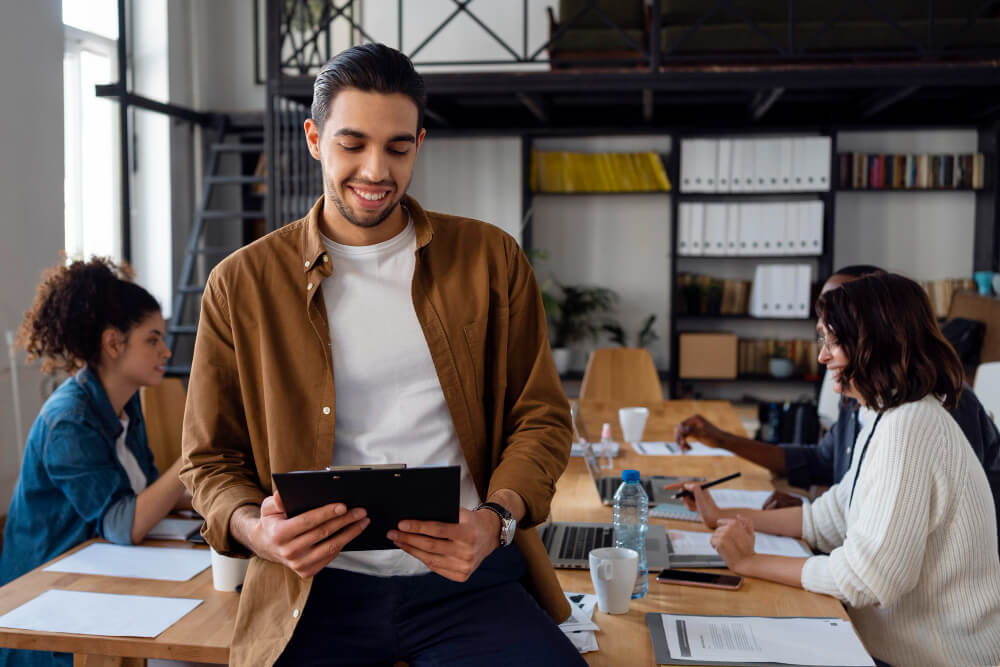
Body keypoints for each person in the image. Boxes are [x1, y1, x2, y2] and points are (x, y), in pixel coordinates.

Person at [179, 44, 582, 667]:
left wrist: (497, 519)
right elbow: (207, 460)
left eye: (397, 147)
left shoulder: (491, 260)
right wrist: (254, 530)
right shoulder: (241, 284)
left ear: (418, 144)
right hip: (310, 593)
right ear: (315, 139)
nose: (375, 170)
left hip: (467, 583)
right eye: (352, 144)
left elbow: (543, 418)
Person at [675, 272, 1000, 667]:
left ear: (872, 344)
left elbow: (867, 579)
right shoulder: (883, 416)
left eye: (832, 341)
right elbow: (829, 517)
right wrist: (720, 516)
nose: (822, 356)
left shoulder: (911, 426)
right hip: (881, 646)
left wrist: (749, 562)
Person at [674, 264, 1000, 528]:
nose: (824, 340)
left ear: (877, 322)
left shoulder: (935, 412)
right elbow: (824, 465)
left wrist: (805, 513)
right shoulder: (868, 399)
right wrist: (723, 440)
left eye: (837, 323)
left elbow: (907, 529)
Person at [0, 258, 190, 667]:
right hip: (47, 613)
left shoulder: (125, 403)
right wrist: (191, 459)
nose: (166, 350)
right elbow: (124, 523)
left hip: (104, 581)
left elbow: (151, 492)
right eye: (153, 339)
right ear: (113, 344)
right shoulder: (69, 419)